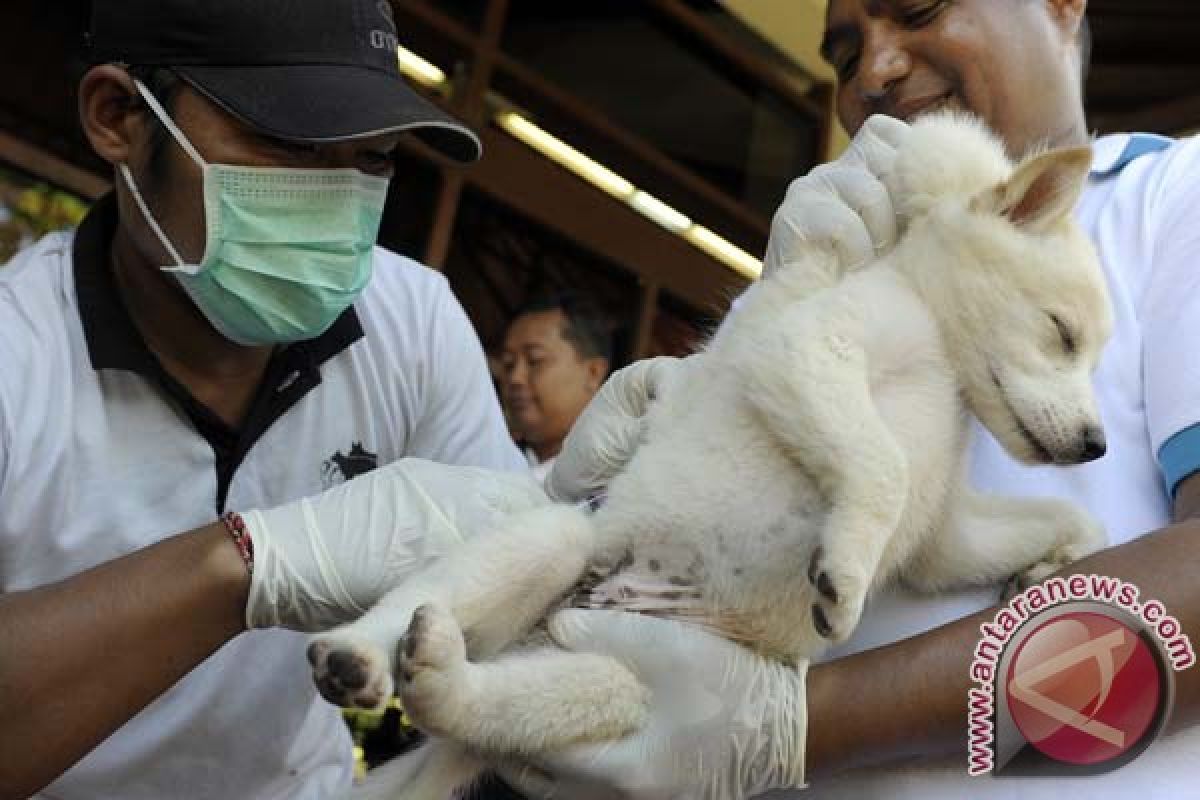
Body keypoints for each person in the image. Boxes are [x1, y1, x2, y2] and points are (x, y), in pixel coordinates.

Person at [505, 0, 1200, 797]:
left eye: (919, 9)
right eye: (843, 56)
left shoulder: (1173, 199)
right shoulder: (836, 250)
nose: (876, 71)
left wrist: (802, 724)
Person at [0, 1, 550, 797]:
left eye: (375, 157)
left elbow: (511, 617)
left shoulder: (411, 324)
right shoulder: (21, 355)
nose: (337, 198)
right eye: (289, 143)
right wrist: (245, 565)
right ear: (117, 115)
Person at [499, 289, 612, 483]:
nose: (515, 378)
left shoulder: (614, 483)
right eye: (509, 364)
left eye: (535, 360)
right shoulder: (489, 461)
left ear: (593, 372)